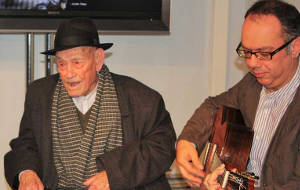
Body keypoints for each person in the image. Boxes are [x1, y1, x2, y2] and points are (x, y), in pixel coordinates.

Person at [4, 17, 176, 190]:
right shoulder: (40, 95)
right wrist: (26, 172)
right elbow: (26, 143)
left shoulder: (141, 98)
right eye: (61, 64)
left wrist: (115, 175)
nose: (68, 73)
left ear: (98, 59)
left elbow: (162, 147)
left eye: (77, 62)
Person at [176, 0, 300, 189]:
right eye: (247, 51)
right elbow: (213, 106)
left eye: (264, 53)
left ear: (295, 46)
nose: (252, 64)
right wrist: (187, 142)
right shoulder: (252, 84)